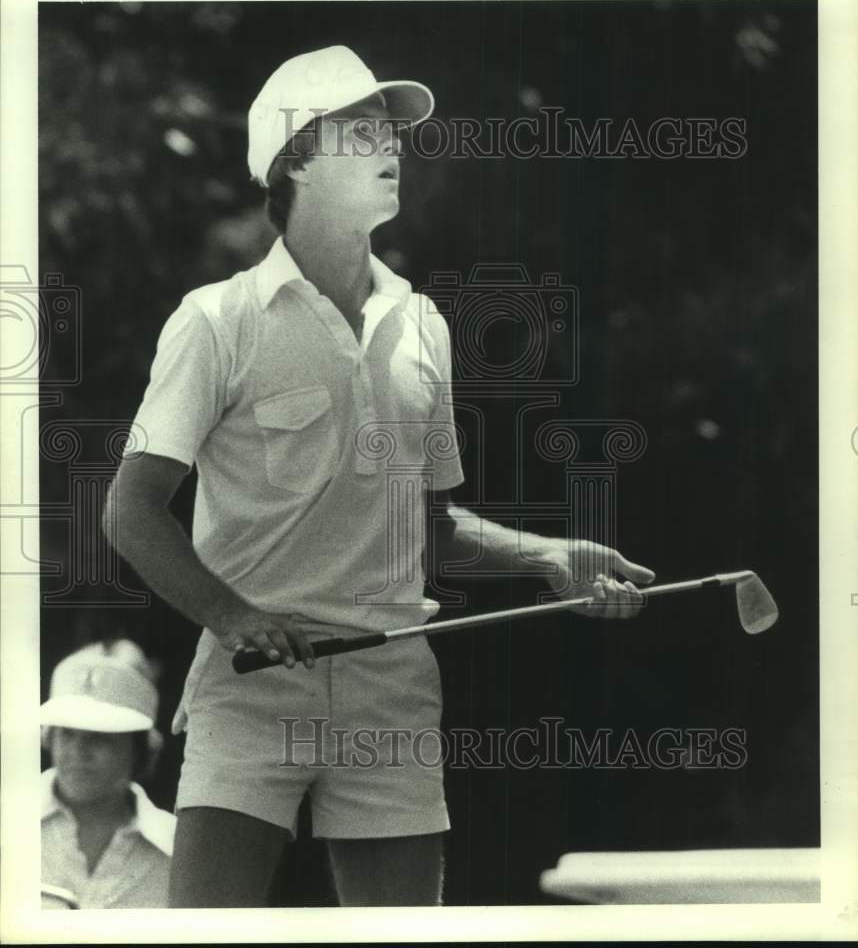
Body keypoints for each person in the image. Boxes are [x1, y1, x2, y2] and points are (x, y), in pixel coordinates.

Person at [105, 44, 655, 907]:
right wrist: (234, 617)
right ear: (296, 160)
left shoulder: (423, 323)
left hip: (392, 680)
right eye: (360, 130)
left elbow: (430, 529)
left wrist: (551, 556)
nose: (391, 143)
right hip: (249, 687)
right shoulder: (214, 320)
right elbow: (131, 512)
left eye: (390, 129)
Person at [40, 640, 176, 909]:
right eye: (66, 733)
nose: (78, 751)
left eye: (99, 736)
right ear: (49, 737)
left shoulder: (176, 845)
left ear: (139, 748)